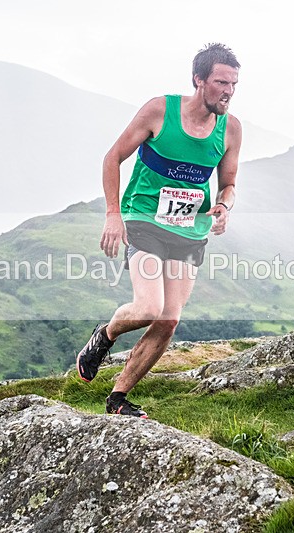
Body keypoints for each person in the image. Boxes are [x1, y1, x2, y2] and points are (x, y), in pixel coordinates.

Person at [75, 43, 242, 418]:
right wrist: (113, 214)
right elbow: (113, 157)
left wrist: (224, 206)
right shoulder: (159, 111)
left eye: (234, 84)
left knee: (169, 320)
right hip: (145, 218)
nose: (228, 91)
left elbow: (228, 183)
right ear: (198, 80)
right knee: (150, 307)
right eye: (220, 82)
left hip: (189, 228)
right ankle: (106, 335)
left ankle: (117, 399)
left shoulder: (230, 129)